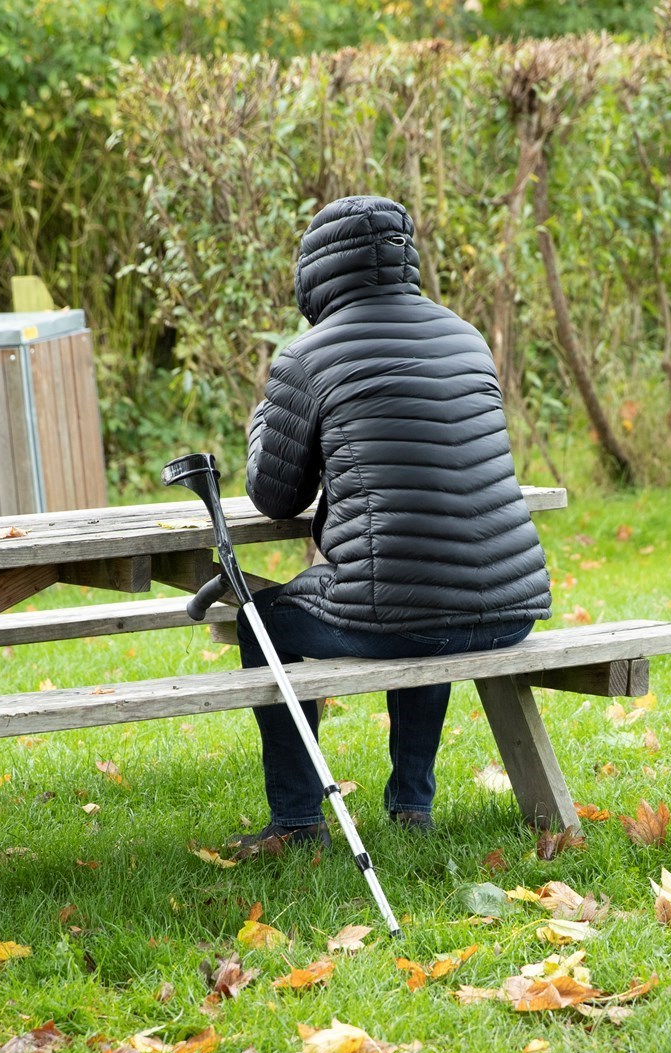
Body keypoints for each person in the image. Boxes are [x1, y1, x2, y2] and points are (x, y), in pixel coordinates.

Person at [228, 194, 551, 857]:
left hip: (412, 614)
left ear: (316, 272)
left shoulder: (306, 357)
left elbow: (274, 497)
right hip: (512, 608)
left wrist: (262, 424)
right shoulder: (467, 338)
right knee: (420, 593)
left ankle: (297, 821)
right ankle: (411, 806)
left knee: (262, 620)